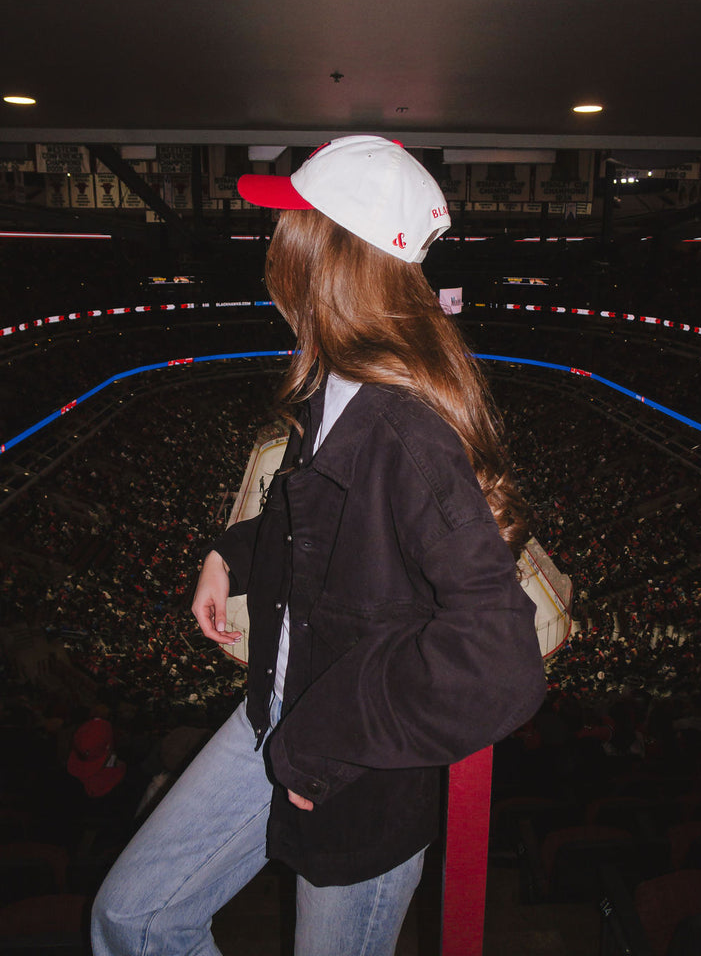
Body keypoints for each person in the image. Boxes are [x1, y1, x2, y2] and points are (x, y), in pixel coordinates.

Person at [91, 135, 546, 956]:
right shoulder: (335, 381)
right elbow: (333, 535)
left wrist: (326, 734)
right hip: (278, 708)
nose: (273, 243)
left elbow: (499, 661)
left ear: (324, 249)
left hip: (356, 765)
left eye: (287, 224)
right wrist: (232, 550)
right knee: (135, 918)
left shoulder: (405, 431)